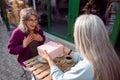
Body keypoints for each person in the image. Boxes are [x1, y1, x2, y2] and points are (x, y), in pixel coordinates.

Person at [39, 14, 120, 80]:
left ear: (83, 39)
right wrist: (68, 51)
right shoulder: (110, 54)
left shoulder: (87, 67)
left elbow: (60, 78)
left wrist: (49, 60)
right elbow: (87, 58)